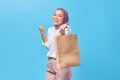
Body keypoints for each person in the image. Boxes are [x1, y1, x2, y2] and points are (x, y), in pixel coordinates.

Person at [39, 8, 72, 80]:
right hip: (51, 62)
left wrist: (62, 31)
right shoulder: (50, 30)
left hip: (62, 63)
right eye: (55, 15)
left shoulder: (67, 29)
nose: (56, 17)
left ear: (64, 19)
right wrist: (42, 32)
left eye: (60, 16)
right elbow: (48, 46)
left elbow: (64, 43)